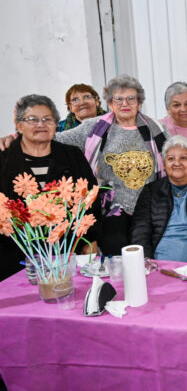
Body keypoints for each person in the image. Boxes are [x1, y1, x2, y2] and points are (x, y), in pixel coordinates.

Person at [50, 75, 171, 256]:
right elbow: (56, 139)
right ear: (109, 103)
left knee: (150, 248)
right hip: (112, 206)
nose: (125, 103)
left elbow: (178, 154)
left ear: (139, 103)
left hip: (151, 204)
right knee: (114, 246)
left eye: (131, 98)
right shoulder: (94, 127)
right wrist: (17, 137)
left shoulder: (157, 128)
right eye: (118, 99)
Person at [0, 94, 101, 281]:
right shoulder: (4, 159)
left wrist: (90, 239)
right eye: (32, 119)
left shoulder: (72, 155)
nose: (41, 124)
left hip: (67, 251)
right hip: (15, 256)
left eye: (48, 119)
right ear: (19, 125)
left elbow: (91, 201)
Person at [130, 136, 187, 262]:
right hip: (156, 265)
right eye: (171, 159)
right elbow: (140, 232)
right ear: (164, 164)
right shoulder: (151, 191)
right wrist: (147, 262)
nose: (177, 163)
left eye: (183, 158)